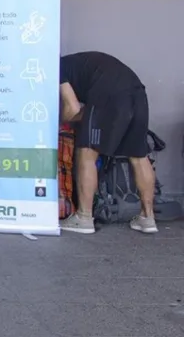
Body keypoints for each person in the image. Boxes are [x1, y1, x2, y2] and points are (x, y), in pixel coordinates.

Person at [58, 51, 157, 234]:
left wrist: (56, 122)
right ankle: (147, 218)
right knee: (139, 155)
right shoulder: (78, 64)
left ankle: (83, 218)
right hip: (136, 90)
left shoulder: (57, 68)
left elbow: (72, 109)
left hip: (108, 91)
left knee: (87, 152)